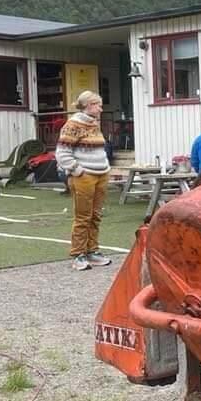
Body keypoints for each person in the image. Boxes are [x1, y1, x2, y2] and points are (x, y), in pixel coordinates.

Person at [55, 90, 114, 272]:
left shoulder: (94, 123)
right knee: (83, 216)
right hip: (84, 176)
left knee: (96, 215)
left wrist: (106, 168)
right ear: (89, 106)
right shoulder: (72, 124)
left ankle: (92, 250)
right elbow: (62, 152)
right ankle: (78, 253)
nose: (101, 109)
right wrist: (76, 170)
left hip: (101, 173)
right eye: (98, 105)